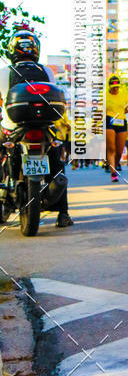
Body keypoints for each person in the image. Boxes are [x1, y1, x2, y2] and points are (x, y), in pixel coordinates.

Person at [0, 29, 73, 227]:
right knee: (56, 162)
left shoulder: (4, 72)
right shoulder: (47, 71)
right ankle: (63, 214)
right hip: (44, 127)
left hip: (12, 127)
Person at [106, 74, 128, 183]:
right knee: (111, 148)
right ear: (109, 87)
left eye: (117, 87)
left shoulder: (123, 95)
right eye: (113, 87)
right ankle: (113, 173)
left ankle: (115, 163)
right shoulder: (104, 96)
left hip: (122, 122)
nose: (115, 89)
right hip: (109, 121)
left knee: (119, 150)